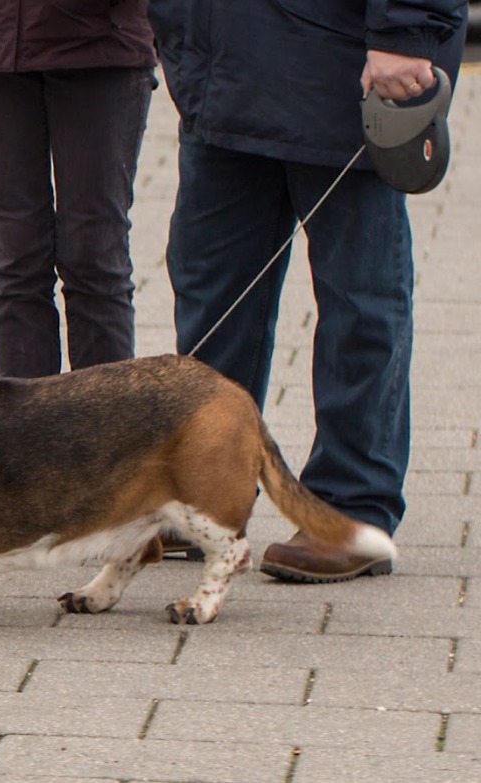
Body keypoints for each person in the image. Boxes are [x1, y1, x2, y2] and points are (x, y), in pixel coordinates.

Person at [146, 1, 467, 581]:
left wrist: (410, 31)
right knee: (213, 295)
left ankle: (351, 507)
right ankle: (203, 494)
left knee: (359, 304)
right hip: (218, 66)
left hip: (338, 65)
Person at [0, 0, 158, 378]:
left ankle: (108, 433)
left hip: (100, 41)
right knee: (15, 262)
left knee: (95, 259)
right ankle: (24, 435)